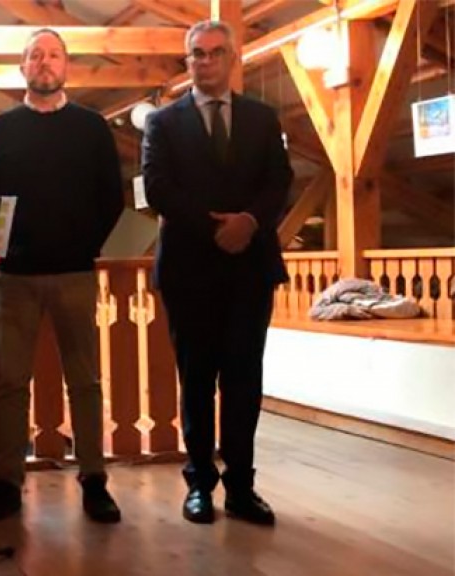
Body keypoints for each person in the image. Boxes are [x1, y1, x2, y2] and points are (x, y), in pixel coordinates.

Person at [142, 20, 293, 526]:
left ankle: (242, 487)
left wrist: (249, 222)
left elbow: (280, 180)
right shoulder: (162, 123)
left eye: (214, 52)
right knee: (197, 380)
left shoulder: (262, 118)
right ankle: (199, 484)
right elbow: (158, 188)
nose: (205, 61)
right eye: (196, 54)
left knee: (245, 380)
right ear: (187, 61)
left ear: (232, 58)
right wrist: (218, 230)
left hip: (251, 269)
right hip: (189, 271)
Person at [0, 28, 124, 524]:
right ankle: (7, 482)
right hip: (15, 275)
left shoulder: (92, 127)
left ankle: (94, 480)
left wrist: (86, 247)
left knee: (85, 381)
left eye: (54, 54)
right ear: (23, 67)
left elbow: (112, 198)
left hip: (75, 273)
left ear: (66, 67)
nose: (45, 62)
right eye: (35, 55)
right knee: (10, 383)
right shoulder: (0, 129)